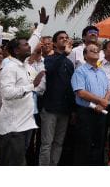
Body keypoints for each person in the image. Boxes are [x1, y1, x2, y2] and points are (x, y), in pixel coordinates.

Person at [0, 37, 39, 165]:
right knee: (12, 163)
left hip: (25, 124)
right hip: (13, 127)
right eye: (25, 45)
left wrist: (40, 26)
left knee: (19, 161)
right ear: (16, 50)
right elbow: (7, 93)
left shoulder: (23, 65)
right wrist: (31, 86)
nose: (29, 46)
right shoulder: (10, 68)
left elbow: (32, 42)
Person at [38, 29, 75, 165]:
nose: (65, 39)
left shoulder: (69, 63)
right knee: (46, 143)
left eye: (66, 37)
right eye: (61, 38)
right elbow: (50, 70)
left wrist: (72, 110)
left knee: (58, 143)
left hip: (64, 110)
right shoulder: (48, 59)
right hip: (50, 108)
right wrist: (64, 53)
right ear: (54, 43)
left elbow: (71, 87)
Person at [71, 42, 110, 164]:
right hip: (86, 113)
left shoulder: (101, 72)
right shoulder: (80, 71)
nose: (95, 51)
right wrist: (100, 101)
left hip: (101, 111)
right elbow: (81, 92)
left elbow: (109, 90)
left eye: (97, 50)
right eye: (91, 50)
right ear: (85, 55)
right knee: (84, 145)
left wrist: (103, 103)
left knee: (99, 144)